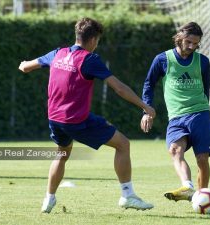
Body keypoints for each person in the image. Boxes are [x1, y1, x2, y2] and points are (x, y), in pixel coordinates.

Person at [19, 17, 155, 213]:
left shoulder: (58, 53)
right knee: (123, 144)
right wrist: (144, 106)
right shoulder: (89, 59)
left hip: (55, 118)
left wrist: (23, 64)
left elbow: (25, 67)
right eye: (97, 41)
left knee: (62, 154)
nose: (96, 45)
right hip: (76, 120)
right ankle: (128, 195)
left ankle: (48, 199)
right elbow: (119, 88)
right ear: (92, 40)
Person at [140, 22, 210, 203]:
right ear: (179, 37)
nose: (191, 47)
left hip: (199, 113)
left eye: (195, 44)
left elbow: (206, 88)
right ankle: (188, 187)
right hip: (176, 116)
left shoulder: (203, 62)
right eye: (189, 42)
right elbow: (148, 84)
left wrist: (203, 111)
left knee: (202, 159)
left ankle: (202, 197)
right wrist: (146, 110)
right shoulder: (162, 59)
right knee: (175, 150)